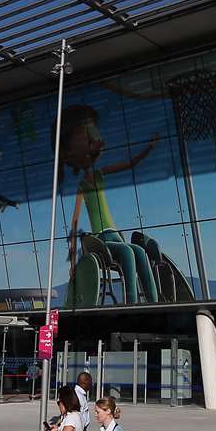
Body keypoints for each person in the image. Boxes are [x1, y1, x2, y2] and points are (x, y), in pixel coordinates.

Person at [60, 104, 162, 306]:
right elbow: (74, 223)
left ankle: (155, 303)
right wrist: (73, 263)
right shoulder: (82, 187)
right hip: (102, 239)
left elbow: (130, 163)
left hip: (116, 234)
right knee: (127, 252)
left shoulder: (100, 174)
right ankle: (131, 304)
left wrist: (150, 146)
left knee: (139, 251)